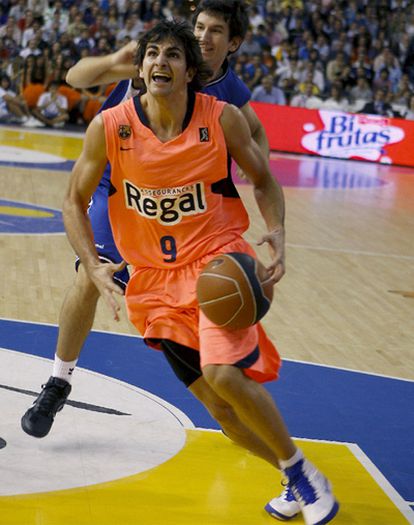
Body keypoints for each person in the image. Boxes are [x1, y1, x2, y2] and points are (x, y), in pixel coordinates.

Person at [21, 1, 295, 520]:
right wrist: (113, 59)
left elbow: (257, 142)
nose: (205, 37)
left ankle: (241, 407)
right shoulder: (153, 60)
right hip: (115, 189)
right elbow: (77, 78)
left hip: (172, 210)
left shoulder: (226, 93)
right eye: (200, 28)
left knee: (209, 344)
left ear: (231, 44)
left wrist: (241, 178)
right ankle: (58, 380)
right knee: (91, 275)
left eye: (215, 32)